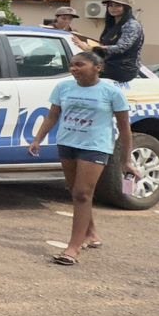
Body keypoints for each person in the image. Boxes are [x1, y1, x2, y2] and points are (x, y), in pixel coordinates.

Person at [27, 51, 138, 266]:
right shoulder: (63, 88)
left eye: (80, 64)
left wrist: (126, 160)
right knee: (76, 192)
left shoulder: (111, 92)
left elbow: (125, 129)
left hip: (95, 147)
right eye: (71, 65)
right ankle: (91, 233)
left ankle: (73, 248)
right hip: (68, 143)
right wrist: (38, 139)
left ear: (98, 67)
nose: (74, 69)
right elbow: (53, 116)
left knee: (82, 193)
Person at [96, 0, 144, 84]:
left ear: (126, 8)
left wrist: (96, 48)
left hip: (124, 69)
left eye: (117, 6)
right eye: (110, 5)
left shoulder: (132, 24)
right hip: (109, 66)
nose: (113, 8)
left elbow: (122, 47)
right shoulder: (112, 25)